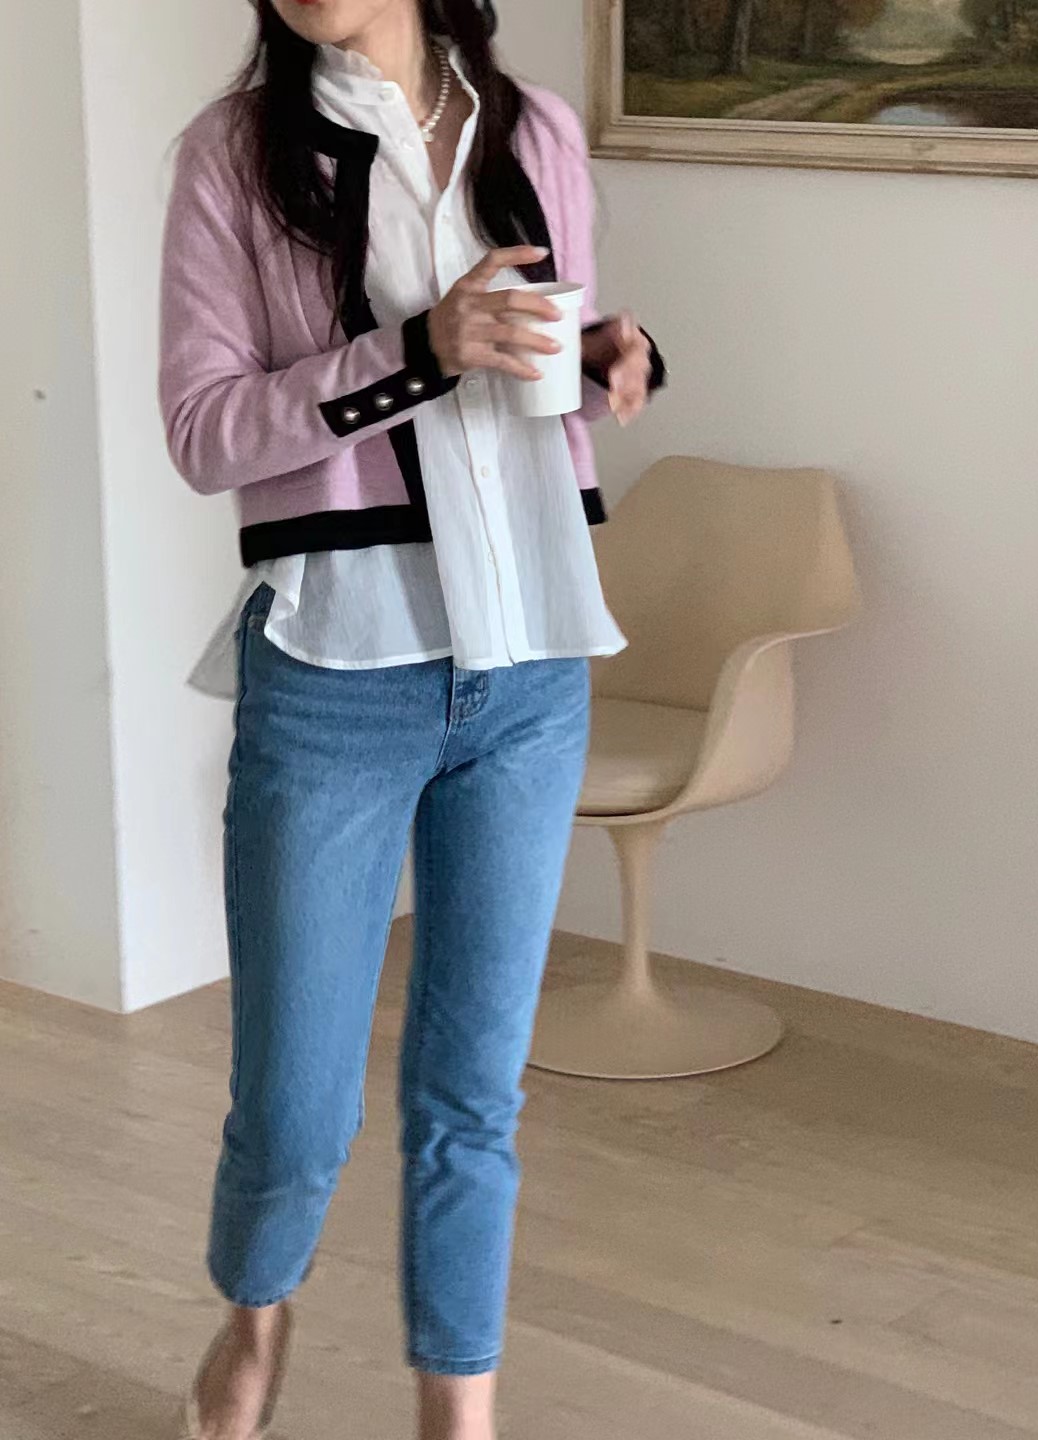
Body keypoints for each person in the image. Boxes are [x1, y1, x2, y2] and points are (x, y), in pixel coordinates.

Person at [159, 1, 664, 1436]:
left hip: (532, 670)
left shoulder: (535, 131)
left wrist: (605, 357)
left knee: (473, 1092)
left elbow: (532, 389)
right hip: (337, 674)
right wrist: (419, 349)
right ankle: (257, 1310)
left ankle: (461, 1405)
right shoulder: (233, 157)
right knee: (296, 1105)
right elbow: (204, 431)